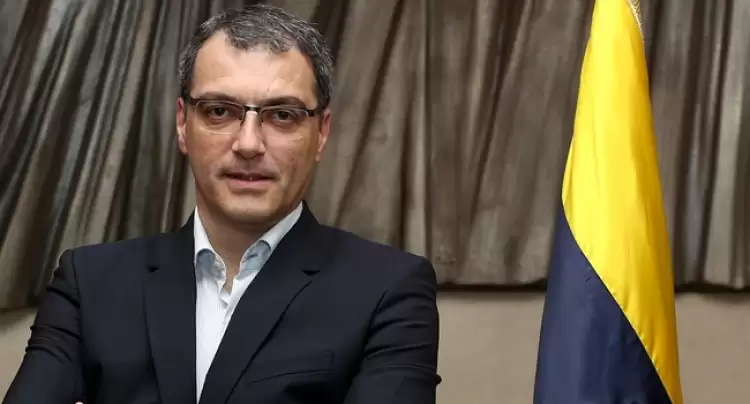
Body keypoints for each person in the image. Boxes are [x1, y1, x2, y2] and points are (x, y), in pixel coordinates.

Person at [3, 5, 440, 404]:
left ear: (321, 133)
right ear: (182, 123)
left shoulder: (389, 291)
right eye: (219, 111)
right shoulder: (89, 283)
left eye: (282, 115)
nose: (248, 144)